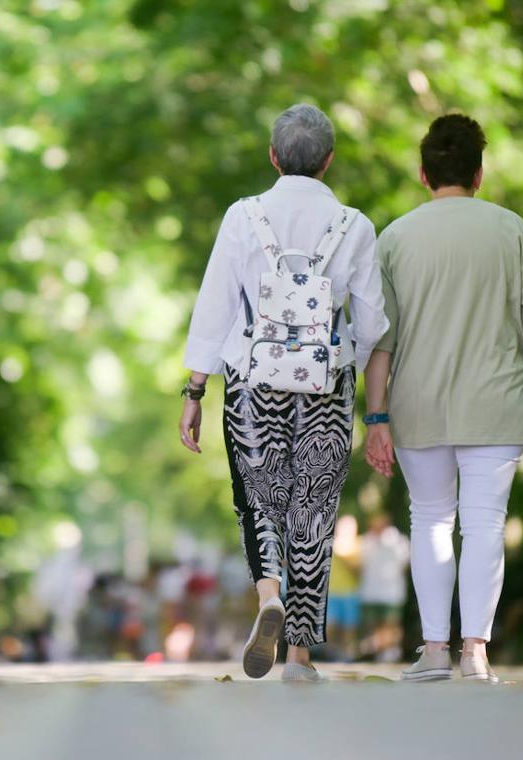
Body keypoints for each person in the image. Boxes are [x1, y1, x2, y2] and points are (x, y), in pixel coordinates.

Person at [179, 103, 388, 682]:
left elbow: (215, 305)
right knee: (314, 509)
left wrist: (195, 389)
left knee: (259, 498)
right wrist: (366, 394)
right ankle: (300, 655)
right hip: (326, 383)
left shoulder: (243, 217)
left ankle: (269, 595)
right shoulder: (356, 226)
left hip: (252, 378)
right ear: (329, 161)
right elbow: (372, 325)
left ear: (273, 158)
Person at [364, 113, 523, 683]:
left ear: (424, 174)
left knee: (428, 520)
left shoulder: (396, 237)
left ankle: (431, 651)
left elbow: (379, 340)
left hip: (418, 404)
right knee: (485, 525)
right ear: (479, 174)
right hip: (497, 401)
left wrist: (375, 416)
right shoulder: (511, 230)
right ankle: (474, 652)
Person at [358, 513, 410, 662]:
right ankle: (381, 652)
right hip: (375, 591)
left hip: (389, 591)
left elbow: (403, 565)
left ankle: (389, 652)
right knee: (376, 624)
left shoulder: (398, 541)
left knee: (390, 624)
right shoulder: (367, 540)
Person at [325, 514, 362, 661]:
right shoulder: (329, 543)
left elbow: (359, 570)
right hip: (332, 591)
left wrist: (345, 558)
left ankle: (346, 655)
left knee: (349, 627)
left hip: (350, 592)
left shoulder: (357, 545)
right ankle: (331, 653)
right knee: (331, 626)